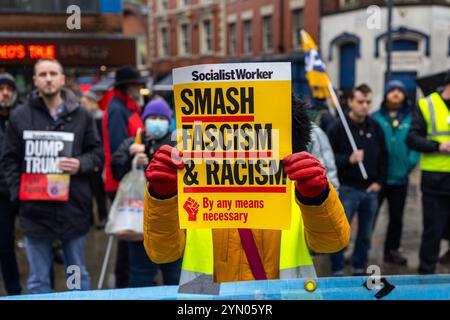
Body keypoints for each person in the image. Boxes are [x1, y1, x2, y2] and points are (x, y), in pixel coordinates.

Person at [142, 95, 350, 291]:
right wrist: (162, 197)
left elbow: (332, 243)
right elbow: (162, 253)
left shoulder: (298, 185)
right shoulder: (196, 188)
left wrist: (317, 197)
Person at [1, 59, 103, 294]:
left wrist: (80, 163)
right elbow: (9, 159)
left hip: (73, 207)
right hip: (34, 210)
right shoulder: (20, 116)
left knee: (76, 276)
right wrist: (19, 195)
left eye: (53, 73)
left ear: (62, 79)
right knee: (38, 281)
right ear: (35, 80)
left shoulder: (83, 115)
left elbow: (97, 154)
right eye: (43, 74)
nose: (48, 78)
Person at [111, 98, 182, 287]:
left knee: (174, 275)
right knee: (141, 275)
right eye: (152, 117)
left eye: (161, 117)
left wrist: (152, 157)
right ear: (145, 119)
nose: (157, 122)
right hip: (138, 224)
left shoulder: (177, 143)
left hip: (172, 224)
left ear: (169, 120)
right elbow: (115, 170)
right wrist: (129, 157)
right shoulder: (132, 142)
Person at [327, 84, 388, 276]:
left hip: (370, 189)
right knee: (340, 233)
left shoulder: (375, 126)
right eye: (360, 101)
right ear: (350, 102)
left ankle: (359, 268)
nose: (364, 106)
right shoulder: (338, 127)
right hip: (347, 188)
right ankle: (337, 269)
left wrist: (379, 182)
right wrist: (348, 159)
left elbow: (384, 157)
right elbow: (327, 159)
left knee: (365, 234)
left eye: (368, 102)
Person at [102, 65, 146, 288]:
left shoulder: (128, 107)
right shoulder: (118, 109)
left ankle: (126, 281)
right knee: (126, 232)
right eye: (136, 84)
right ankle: (123, 283)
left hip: (129, 179)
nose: (140, 87)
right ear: (127, 86)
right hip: (121, 181)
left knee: (130, 231)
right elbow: (120, 147)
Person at [406, 70, 450, 274]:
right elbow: (412, 138)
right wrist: (438, 146)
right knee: (433, 230)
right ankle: (426, 274)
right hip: (436, 180)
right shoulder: (427, 104)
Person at [372, 80, 419, 266]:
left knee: (396, 218)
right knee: (371, 215)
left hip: (400, 177)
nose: (396, 94)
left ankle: (392, 251)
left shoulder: (412, 118)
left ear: (405, 96)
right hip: (378, 177)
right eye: (392, 90)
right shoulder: (375, 118)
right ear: (385, 94)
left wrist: (410, 162)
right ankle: (362, 249)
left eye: (400, 90)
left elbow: (416, 142)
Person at [0, 72, 21, 295]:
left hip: (25, 188)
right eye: (1, 88)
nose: (5, 93)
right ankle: (13, 290)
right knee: (5, 244)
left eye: (9, 89)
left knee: (38, 241)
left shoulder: (23, 116)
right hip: (2, 193)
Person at [81, 91, 108, 229]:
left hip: (97, 159)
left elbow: (102, 141)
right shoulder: (84, 117)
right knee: (88, 191)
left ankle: (103, 217)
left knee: (98, 192)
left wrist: (99, 160)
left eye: (84, 102)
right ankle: (89, 218)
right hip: (86, 159)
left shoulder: (100, 117)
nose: (82, 105)